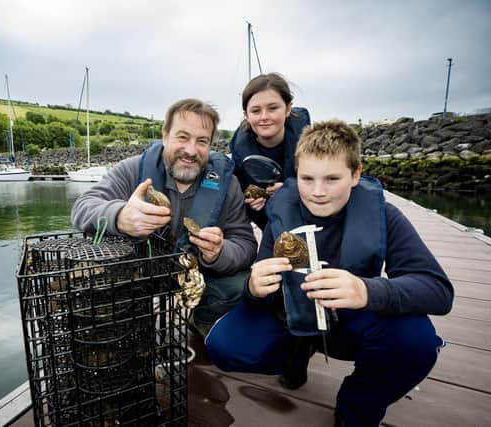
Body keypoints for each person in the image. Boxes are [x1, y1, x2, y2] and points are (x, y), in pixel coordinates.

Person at [206, 120, 453, 426]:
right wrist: (254, 289)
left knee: (416, 343)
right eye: (307, 179)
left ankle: (356, 407)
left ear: (355, 175)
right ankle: (299, 350)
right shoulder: (281, 214)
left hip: (349, 322)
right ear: (296, 176)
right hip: (291, 316)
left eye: (332, 178)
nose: (318, 192)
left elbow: (439, 291)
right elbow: (258, 293)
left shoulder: (385, 215)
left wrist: (366, 291)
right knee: (224, 347)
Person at [71, 98, 257, 336]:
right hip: (138, 276)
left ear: (211, 145)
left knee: (240, 286)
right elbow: (83, 207)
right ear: (165, 135)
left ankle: (201, 321)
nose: (191, 150)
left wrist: (219, 252)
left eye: (202, 141)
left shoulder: (227, 184)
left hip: (196, 278)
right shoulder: (132, 169)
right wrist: (120, 216)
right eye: (182, 137)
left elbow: (246, 245)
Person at [229, 72, 311, 229]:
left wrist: (293, 189)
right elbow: (237, 199)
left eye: (273, 108)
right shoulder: (239, 154)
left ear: (288, 109)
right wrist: (250, 205)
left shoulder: (311, 144)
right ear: (246, 114)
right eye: (256, 111)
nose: (264, 117)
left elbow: (328, 185)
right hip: (269, 225)